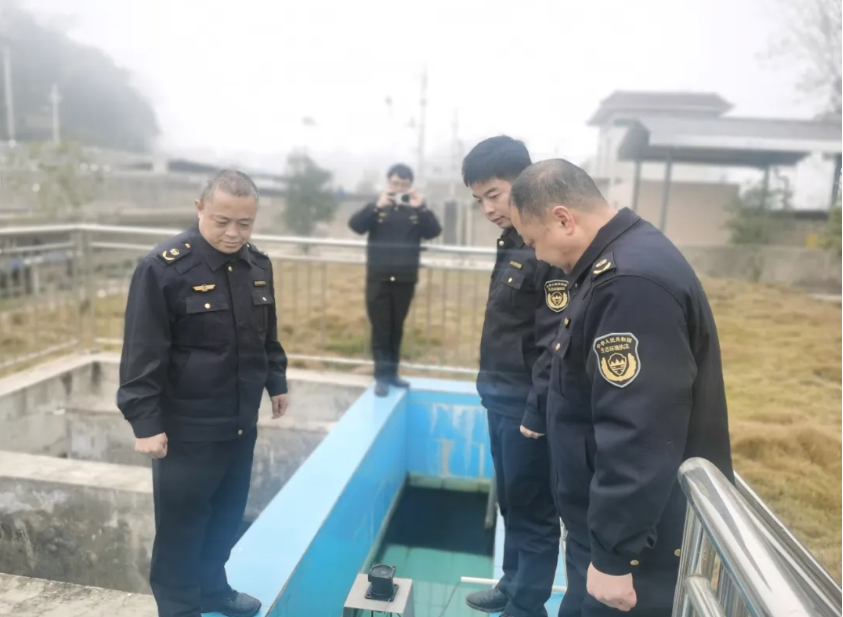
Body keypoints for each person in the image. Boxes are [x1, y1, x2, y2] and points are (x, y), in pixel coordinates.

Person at [508, 159, 733, 616]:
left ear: (563, 219)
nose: (538, 257)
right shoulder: (615, 263)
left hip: (634, 550)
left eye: (533, 242)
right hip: (609, 533)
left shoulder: (629, 285)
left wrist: (614, 554)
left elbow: (640, 429)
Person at [117, 169, 289, 617]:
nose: (233, 233)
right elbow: (142, 351)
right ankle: (179, 608)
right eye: (222, 221)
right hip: (188, 426)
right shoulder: (163, 269)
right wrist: (145, 422)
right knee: (182, 526)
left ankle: (213, 589)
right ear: (199, 209)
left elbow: (266, 334)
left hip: (240, 420)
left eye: (244, 223)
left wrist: (276, 381)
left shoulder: (258, 265)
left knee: (227, 515)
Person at [462, 136, 563, 617]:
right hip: (499, 397)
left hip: (527, 405)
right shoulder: (511, 244)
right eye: (479, 199)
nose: (487, 208)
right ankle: (511, 583)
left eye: (494, 195)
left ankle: (526, 606)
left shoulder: (546, 249)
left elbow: (553, 343)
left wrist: (536, 411)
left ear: (524, 182)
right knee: (510, 500)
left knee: (534, 509)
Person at [349, 163, 442, 397]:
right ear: (388, 183)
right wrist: (375, 206)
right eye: (395, 183)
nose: (399, 188)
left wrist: (421, 207)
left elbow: (434, 231)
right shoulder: (377, 208)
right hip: (378, 278)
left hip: (404, 279)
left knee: (396, 328)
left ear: (410, 186)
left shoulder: (416, 211)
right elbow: (355, 226)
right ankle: (381, 376)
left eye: (404, 185)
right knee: (381, 328)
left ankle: (392, 374)